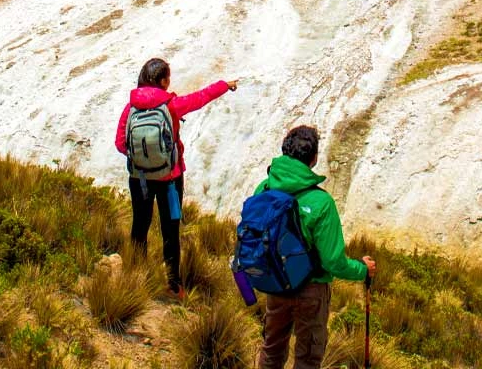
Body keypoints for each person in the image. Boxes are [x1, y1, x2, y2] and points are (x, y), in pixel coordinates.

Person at [113, 58, 237, 296]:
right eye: (168, 77)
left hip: (139, 179)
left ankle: (135, 277)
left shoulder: (131, 108)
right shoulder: (171, 105)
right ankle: (173, 285)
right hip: (171, 179)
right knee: (170, 230)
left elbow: (120, 143)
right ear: (162, 81)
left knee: (140, 225)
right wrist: (225, 85)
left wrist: (142, 157)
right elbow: (201, 98)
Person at [255, 126, 374, 369]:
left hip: (275, 284)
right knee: (308, 358)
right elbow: (333, 262)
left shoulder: (264, 190)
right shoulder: (321, 202)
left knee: (271, 351)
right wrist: (363, 270)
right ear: (314, 158)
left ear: (285, 151)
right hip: (311, 290)